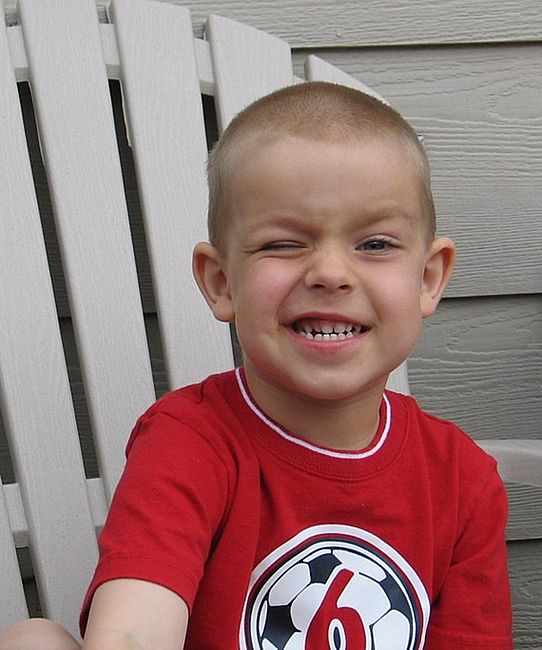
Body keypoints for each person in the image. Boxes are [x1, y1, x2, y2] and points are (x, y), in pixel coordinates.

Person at [0, 81, 512, 649]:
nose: (330, 273)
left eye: (375, 244)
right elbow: (132, 631)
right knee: (32, 641)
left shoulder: (462, 479)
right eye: (284, 244)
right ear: (222, 282)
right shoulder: (189, 443)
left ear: (427, 279)